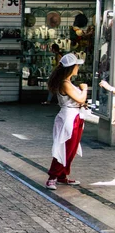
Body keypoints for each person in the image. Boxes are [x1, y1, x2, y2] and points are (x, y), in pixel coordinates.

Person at [45, 53, 88, 190]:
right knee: (64, 147)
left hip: (73, 116)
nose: (78, 67)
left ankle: (62, 175)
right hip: (69, 119)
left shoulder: (67, 82)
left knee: (71, 149)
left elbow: (78, 101)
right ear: (71, 67)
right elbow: (81, 99)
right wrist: (85, 89)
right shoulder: (65, 83)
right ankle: (53, 177)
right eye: (76, 65)